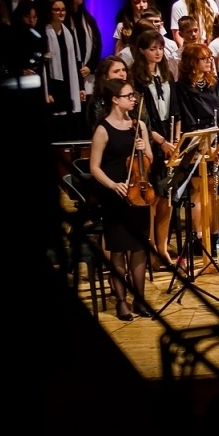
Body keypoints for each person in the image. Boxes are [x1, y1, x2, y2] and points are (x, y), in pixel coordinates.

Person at [89, 78, 153, 320]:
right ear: (115, 100)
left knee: (138, 248)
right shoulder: (103, 129)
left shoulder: (139, 126)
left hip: (139, 193)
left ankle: (140, 299)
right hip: (115, 195)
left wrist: (142, 146)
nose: (133, 99)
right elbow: (95, 167)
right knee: (118, 251)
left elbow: (148, 160)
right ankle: (121, 301)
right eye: (128, 96)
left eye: (133, 96)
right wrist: (113, 185)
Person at [129, 28, 177, 265]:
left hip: (169, 139)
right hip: (152, 141)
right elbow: (143, 119)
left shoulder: (166, 73)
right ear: (141, 51)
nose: (157, 52)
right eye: (152, 49)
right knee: (153, 198)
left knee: (167, 198)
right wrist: (160, 140)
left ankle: (163, 247)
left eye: (160, 48)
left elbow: (174, 108)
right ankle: (149, 249)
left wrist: (175, 139)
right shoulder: (137, 79)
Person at [43, 0, 86, 138]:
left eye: (63, 9)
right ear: (50, 12)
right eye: (56, 10)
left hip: (69, 82)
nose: (61, 13)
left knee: (71, 121)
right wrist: (47, 90)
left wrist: (80, 87)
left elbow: (77, 59)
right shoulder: (46, 33)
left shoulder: (69, 33)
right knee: (57, 122)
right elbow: (44, 65)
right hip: (55, 84)